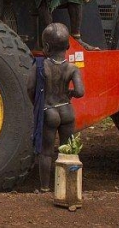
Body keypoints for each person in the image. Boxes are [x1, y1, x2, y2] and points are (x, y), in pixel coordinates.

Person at [27, 22, 85, 192]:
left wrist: (37, 104)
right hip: (67, 110)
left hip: (49, 110)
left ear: (46, 46)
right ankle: (67, 186)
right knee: (68, 151)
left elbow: (30, 87)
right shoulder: (72, 68)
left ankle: (45, 187)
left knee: (46, 152)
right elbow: (80, 91)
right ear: (68, 45)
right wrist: (71, 94)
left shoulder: (40, 66)